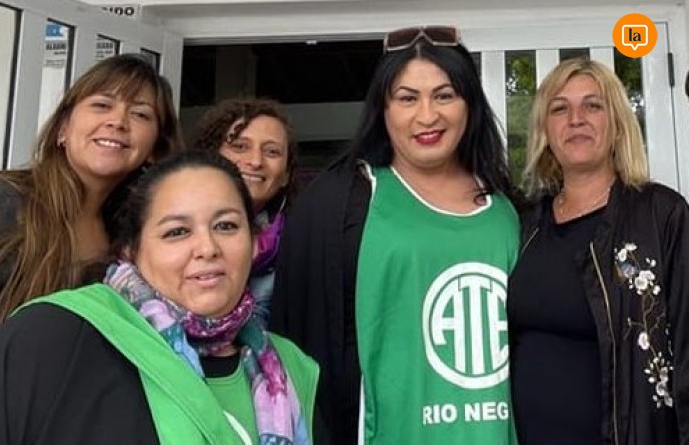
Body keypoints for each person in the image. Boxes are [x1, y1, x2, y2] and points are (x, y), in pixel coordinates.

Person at [0, 150, 318, 445]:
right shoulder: (54, 336)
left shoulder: (292, 371)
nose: (207, 247)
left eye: (226, 226)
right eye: (177, 232)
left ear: (254, 242)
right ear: (131, 251)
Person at [0, 53, 181, 444]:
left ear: (155, 149)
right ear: (62, 129)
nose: (118, 120)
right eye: (101, 104)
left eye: (140, 114)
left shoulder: (131, 247)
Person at [271, 26, 520, 444]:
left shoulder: (507, 209)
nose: (427, 116)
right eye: (407, 98)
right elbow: (296, 348)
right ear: (382, 109)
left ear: (470, 104)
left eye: (444, 95)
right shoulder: (341, 203)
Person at [508, 58, 689, 444]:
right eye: (560, 108)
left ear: (617, 124)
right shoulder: (524, 225)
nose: (576, 119)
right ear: (545, 130)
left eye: (592, 105)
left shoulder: (661, 214)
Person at [192, 98, 297, 326]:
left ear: (286, 175)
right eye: (240, 146)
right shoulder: (171, 227)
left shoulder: (300, 248)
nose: (256, 161)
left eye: (271, 152)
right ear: (210, 156)